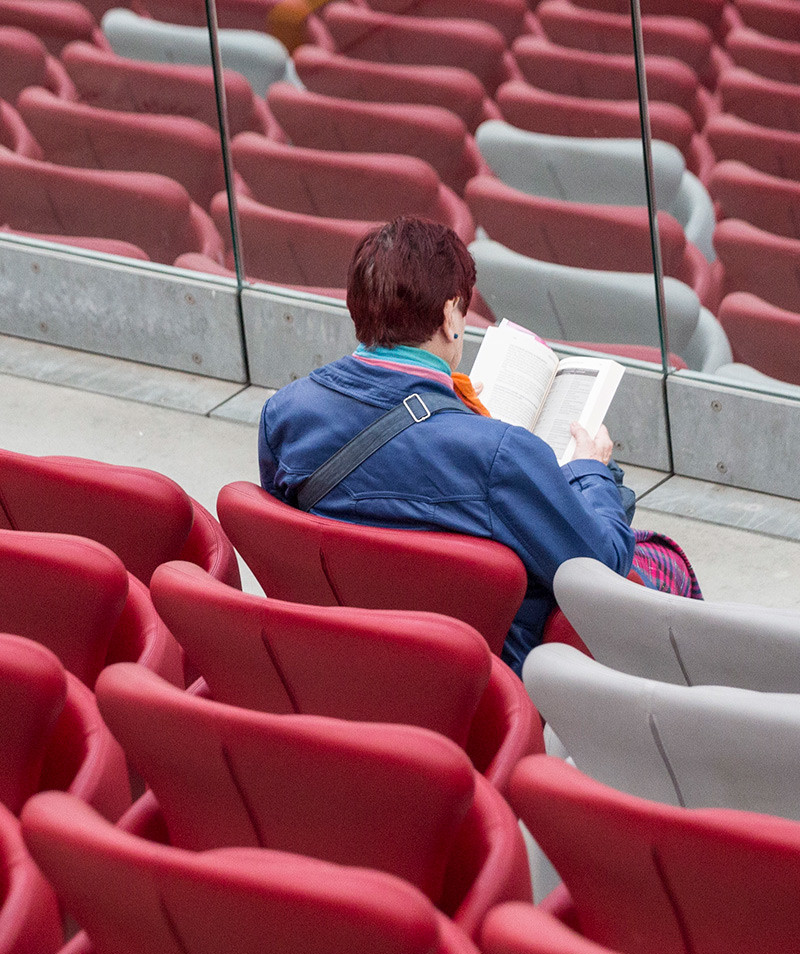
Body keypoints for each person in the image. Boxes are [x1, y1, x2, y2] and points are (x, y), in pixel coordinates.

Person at [257, 216, 699, 671]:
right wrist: (592, 470)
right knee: (662, 560)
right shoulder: (499, 454)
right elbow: (600, 565)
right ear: (450, 315)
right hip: (483, 668)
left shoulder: (285, 413)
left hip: (344, 648)